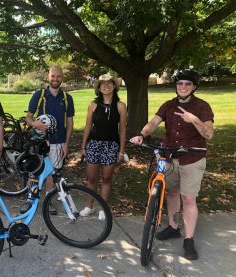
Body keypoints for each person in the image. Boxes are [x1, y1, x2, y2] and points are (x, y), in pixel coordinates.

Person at [130, 69, 214, 261]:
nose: (183, 87)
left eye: (187, 84)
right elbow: (153, 123)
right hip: (169, 156)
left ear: (194, 87)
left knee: (189, 199)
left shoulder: (202, 106)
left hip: (192, 158)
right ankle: (173, 228)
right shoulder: (168, 105)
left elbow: (209, 134)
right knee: (171, 193)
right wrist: (142, 135)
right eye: (180, 83)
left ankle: (189, 240)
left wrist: (194, 120)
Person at [20, 66, 75, 213]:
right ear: (48, 77)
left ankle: (48, 201)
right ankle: (30, 199)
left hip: (59, 141)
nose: (55, 79)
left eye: (58, 76)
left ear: (62, 77)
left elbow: (70, 122)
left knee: (52, 172)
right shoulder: (39, 95)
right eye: (53, 76)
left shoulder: (67, 98)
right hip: (39, 141)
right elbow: (28, 117)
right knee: (34, 171)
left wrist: (66, 144)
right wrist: (34, 123)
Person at [80, 74, 127, 215]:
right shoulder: (93, 105)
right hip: (94, 144)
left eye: (109, 83)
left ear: (114, 86)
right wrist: (83, 146)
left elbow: (123, 129)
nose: (106, 86)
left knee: (106, 178)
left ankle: (103, 208)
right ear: (99, 88)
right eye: (103, 84)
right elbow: (88, 126)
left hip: (111, 145)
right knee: (91, 178)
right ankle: (89, 206)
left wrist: (121, 151)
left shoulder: (120, 106)